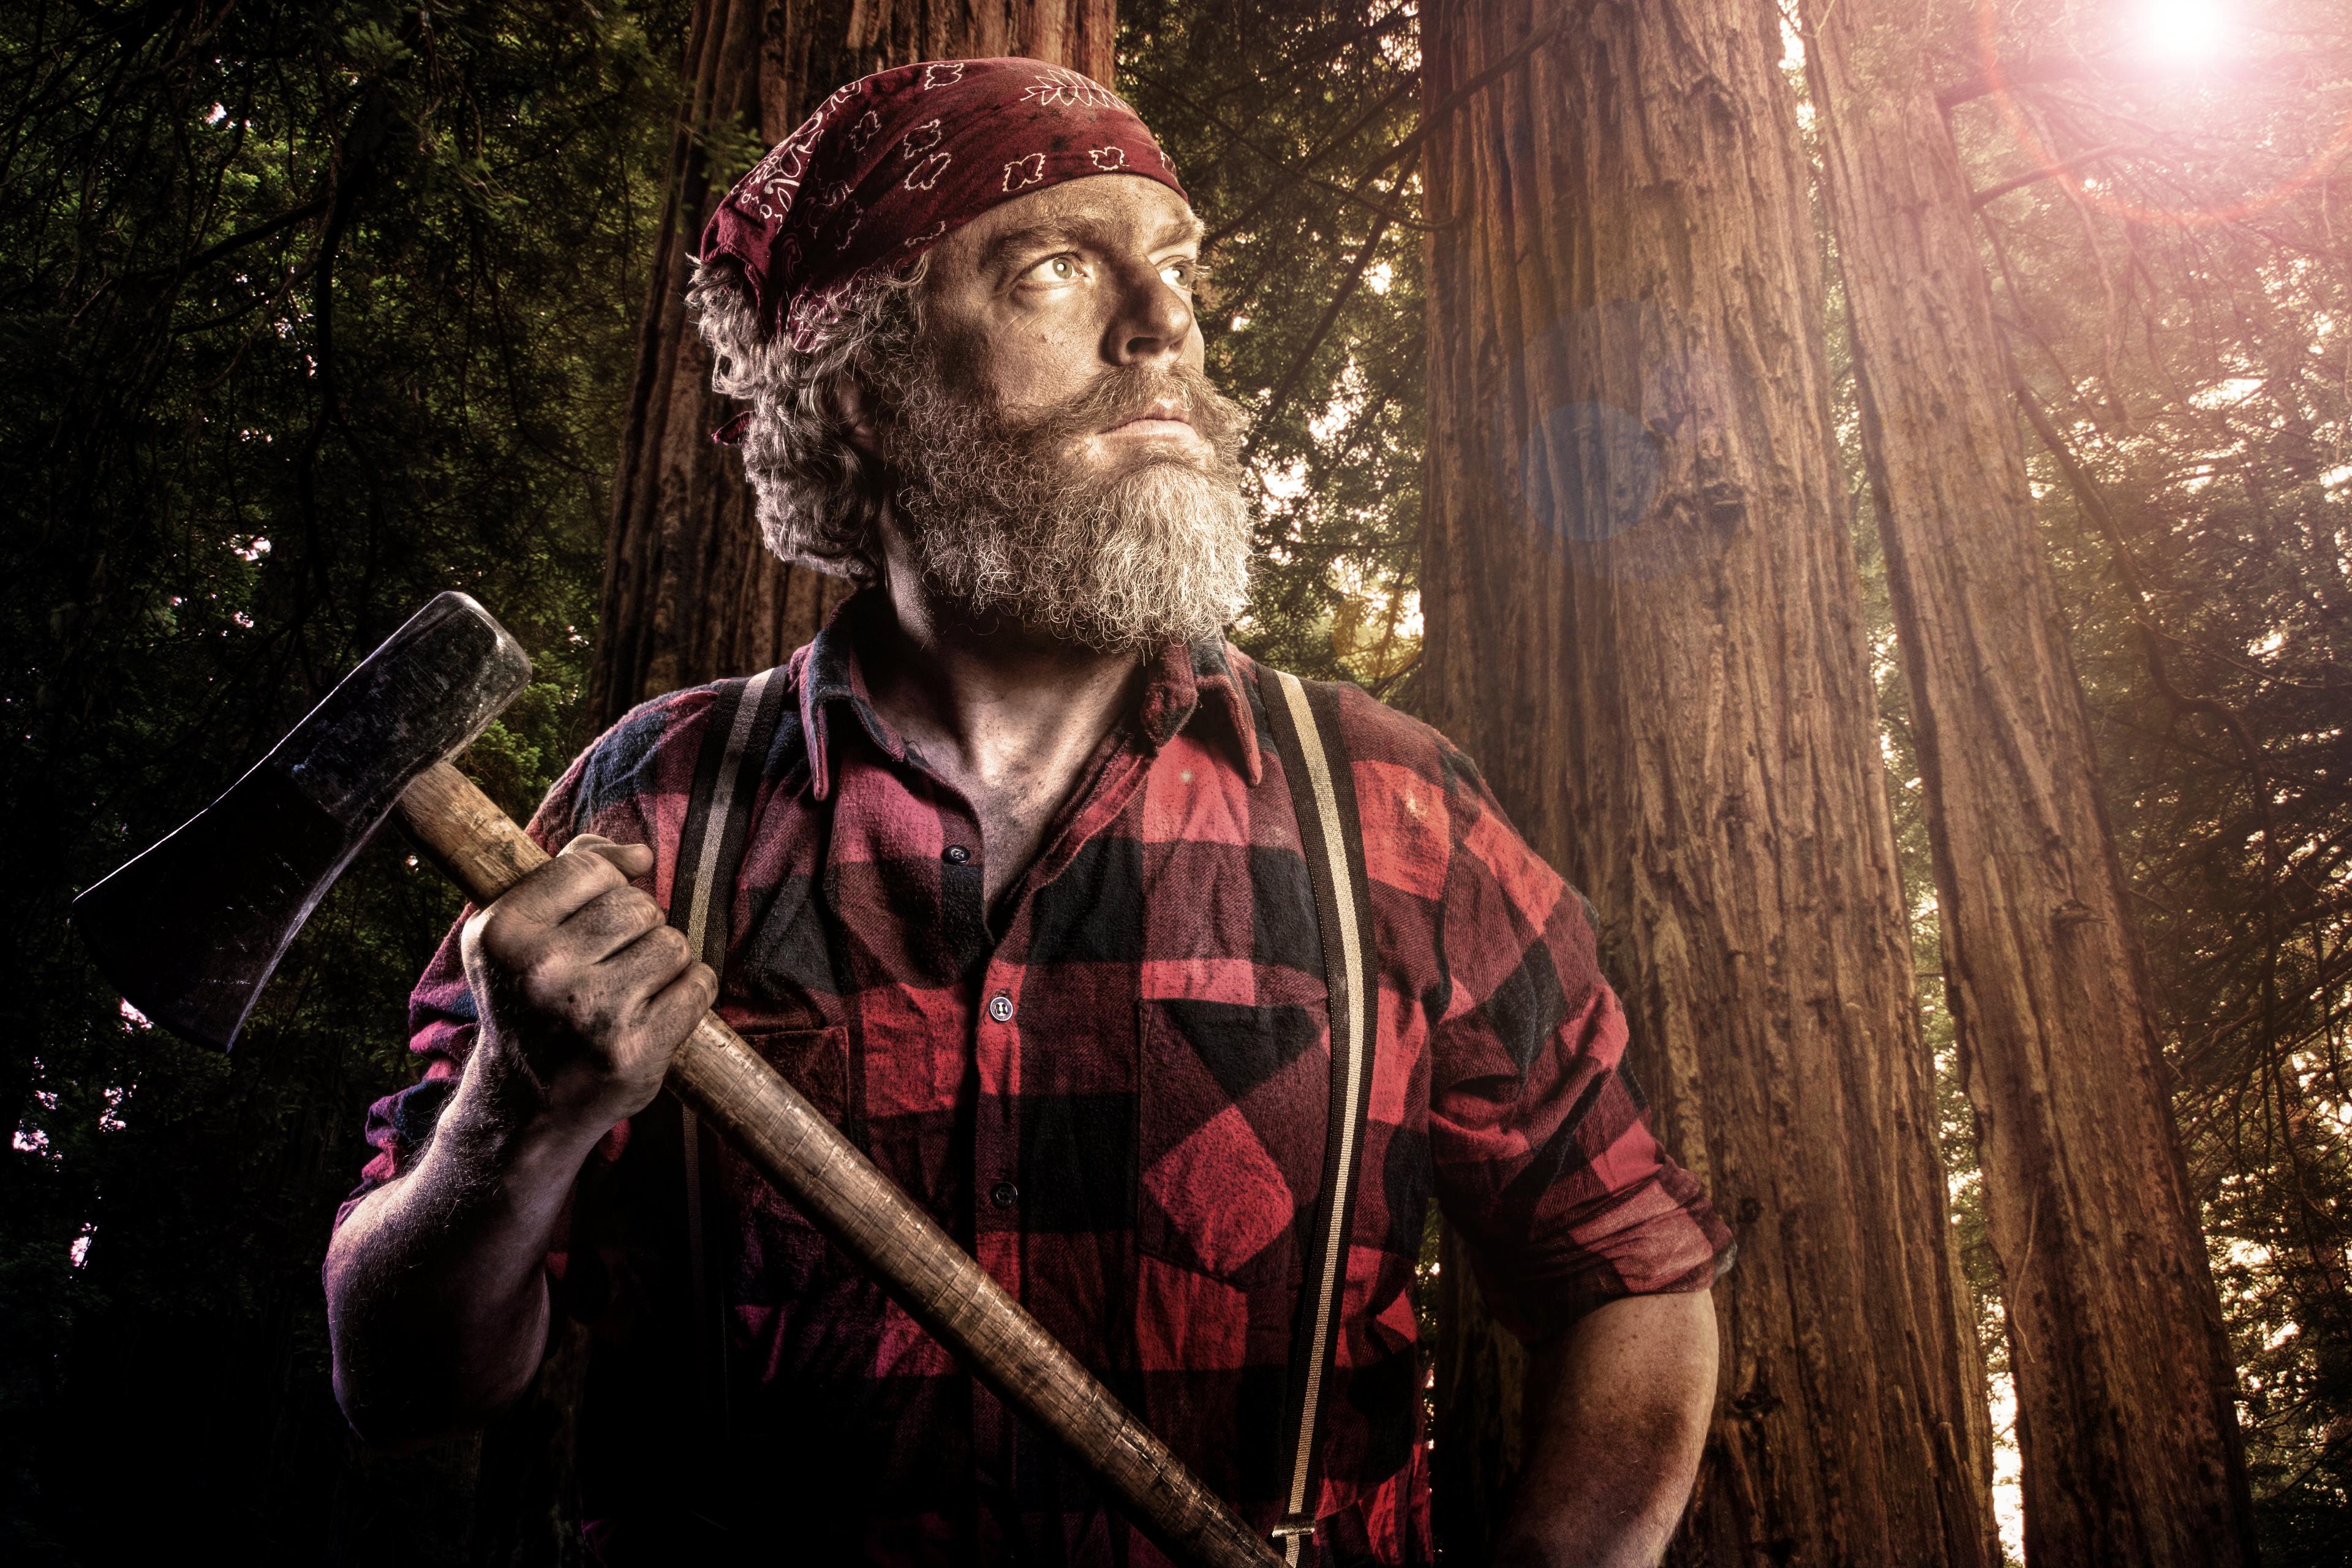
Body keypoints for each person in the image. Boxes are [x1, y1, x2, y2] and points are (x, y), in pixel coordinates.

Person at [323, 58, 1732, 1568]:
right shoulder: (660, 802)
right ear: (862, 384)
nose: (1165, 323)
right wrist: (511, 1118)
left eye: (1178, 266)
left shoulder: (1387, 806)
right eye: (1060, 267)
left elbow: (1631, 1279)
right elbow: (401, 1378)